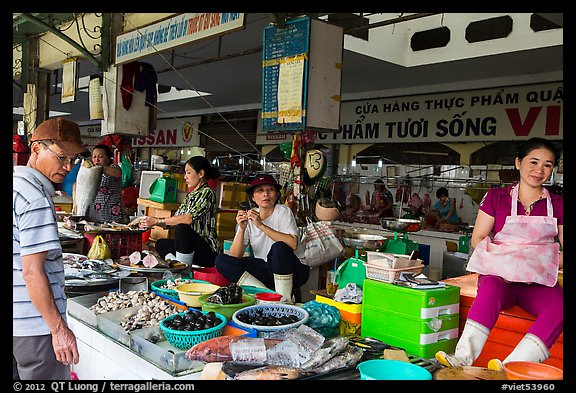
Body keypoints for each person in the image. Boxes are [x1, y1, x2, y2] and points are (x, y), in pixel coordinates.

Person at [435, 137, 563, 371]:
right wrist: (509, 256)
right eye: (533, 162)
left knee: (559, 308)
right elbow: (478, 237)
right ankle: (462, 356)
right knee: (491, 289)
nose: (539, 170)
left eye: (547, 165)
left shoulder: (559, 203)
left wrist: (547, 259)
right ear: (518, 163)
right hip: (500, 275)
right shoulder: (496, 198)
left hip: (537, 281)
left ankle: (512, 366)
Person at [13, 117, 85, 380]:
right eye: (62, 157)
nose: (68, 166)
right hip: (35, 327)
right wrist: (58, 330)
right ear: (36, 149)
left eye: (74, 159)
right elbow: (32, 272)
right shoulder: (34, 198)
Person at [215, 174, 309, 303]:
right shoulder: (250, 215)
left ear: (276, 195)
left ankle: (285, 299)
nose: (266, 194)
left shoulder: (283, 211)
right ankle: (266, 295)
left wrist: (260, 225)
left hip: (293, 269)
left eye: (270, 190)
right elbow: (235, 255)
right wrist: (242, 228)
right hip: (267, 269)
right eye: (260, 190)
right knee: (221, 260)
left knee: (279, 247)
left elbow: (293, 244)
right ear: (253, 198)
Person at [138, 156, 220, 268]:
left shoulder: (207, 192)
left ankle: (183, 270)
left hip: (207, 252)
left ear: (201, 173)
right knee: (161, 244)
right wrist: (151, 222)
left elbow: (188, 219)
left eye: (188, 172)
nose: (185, 177)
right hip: (190, 248)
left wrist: (158, 220)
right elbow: (174, 221)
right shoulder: (190, 195)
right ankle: (177, 263)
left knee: (182, 228)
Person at [83, 144, 126, 223]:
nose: (97, 160)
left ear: (109, 158)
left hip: (112, 214)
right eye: (94, 157)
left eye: (101, 157)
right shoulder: (91, 171)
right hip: (94, 214)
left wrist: (99, 168)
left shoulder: (114, 168)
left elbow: (118, 173)